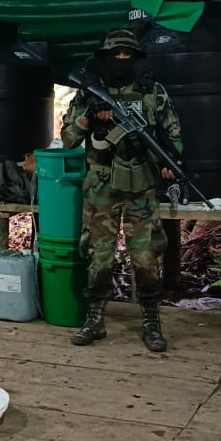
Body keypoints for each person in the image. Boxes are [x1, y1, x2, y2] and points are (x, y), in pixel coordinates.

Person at [60, 29, 183, 351]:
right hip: (101, 184)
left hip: (142, 183)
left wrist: (171, 159)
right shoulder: (89, 94)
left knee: (146, 256)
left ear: (137, 58)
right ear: (104, 57)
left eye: (128, 55)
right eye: (116, 55)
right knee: (99, 255)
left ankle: (152, 322)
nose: (122, 60)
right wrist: (88, 120)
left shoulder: (152, 92)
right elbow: (68, 138)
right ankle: (94, 320)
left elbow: (172, 131)